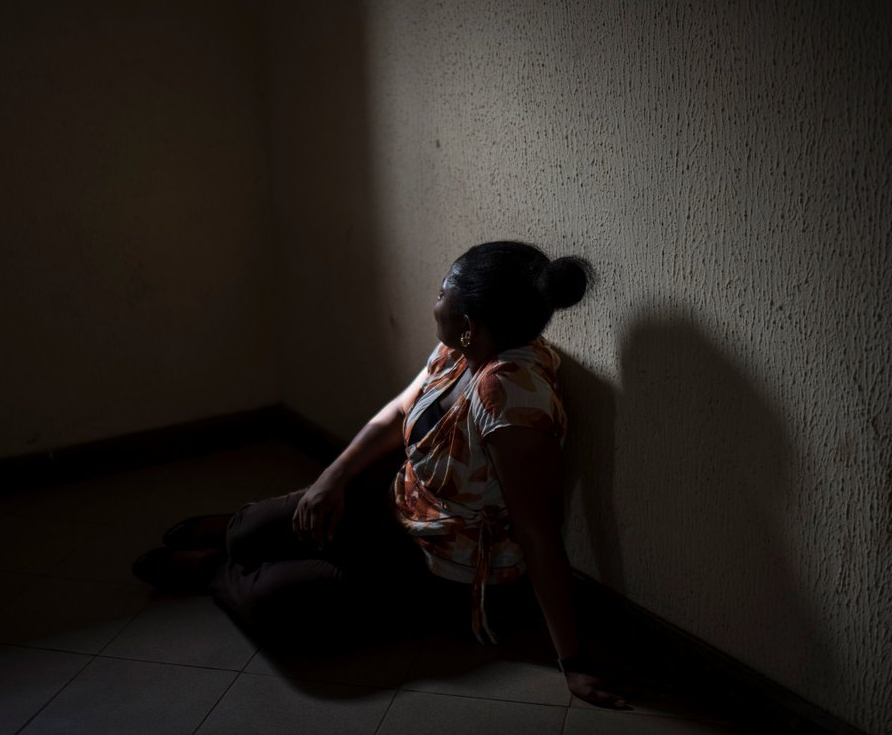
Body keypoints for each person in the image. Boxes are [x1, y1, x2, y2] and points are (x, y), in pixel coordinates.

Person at [133, 241, 628, 709]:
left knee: (269, 602)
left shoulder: (511, 400)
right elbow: (398, 412)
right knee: (250, 531)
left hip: (437, 566)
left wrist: (573, 662)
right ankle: (238, 533)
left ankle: (212, 569)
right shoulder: (463, 349)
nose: (435, 301)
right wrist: (331, 478)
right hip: (401, 503)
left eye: (442, 292)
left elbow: (538, 532)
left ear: (469, 322)